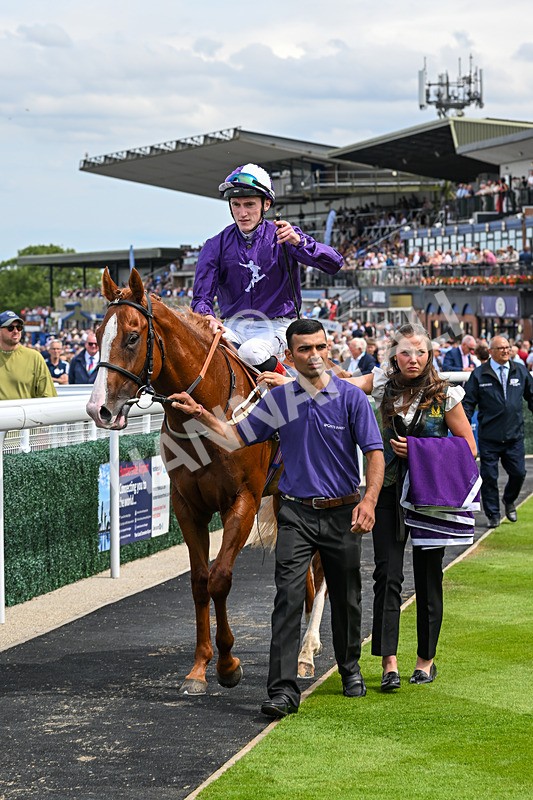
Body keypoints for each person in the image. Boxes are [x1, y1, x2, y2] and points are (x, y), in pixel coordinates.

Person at [169, 319, 385, 717]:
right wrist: (200, 413)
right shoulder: (280, 400)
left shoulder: (351, 398)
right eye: (305, 349)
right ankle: (283, 690)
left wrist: (369, 501)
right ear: (289, 355)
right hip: (297, 513)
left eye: (320, 347)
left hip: (342, 512)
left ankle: (350, 668)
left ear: (328, 349)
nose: (314, 355)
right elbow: (234, 437)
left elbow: (374, 453)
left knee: (347, 598)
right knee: (287, 598)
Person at [350, 323, 476, 690]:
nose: (414, 358)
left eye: (420, 352)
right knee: (387, 575)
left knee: (428, 576)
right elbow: (337, 386)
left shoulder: (445, 394)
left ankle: (426, 660)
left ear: (430, 355)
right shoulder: (381, 386)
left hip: (431, 496)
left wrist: (420, 451)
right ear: (394, 355)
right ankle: (388, 661)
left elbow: (469, 447)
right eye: (406, 351)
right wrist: (289, 379)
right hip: (388, 492)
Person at [191, 164, 344, 373]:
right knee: (203, 348)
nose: (242, 213)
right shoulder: (214, 245)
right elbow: (201, 299)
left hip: (277, 326)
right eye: (236, 205)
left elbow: (335, 263)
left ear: (266, 204)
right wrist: (206, 316)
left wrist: (300, 243)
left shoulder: (285, 234)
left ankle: (289, 385)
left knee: (251, 352)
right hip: (234, 326)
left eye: (249, 204)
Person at [462, 335, 533, 527]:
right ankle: (493, 515)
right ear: (491, 352)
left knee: (519, 474)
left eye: (507, 347)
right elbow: (468, 404)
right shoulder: (479, 374)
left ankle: (509, 500)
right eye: (501, 348)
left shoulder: (520, 371)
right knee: (490, 478)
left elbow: (531, 396)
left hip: (514, 436)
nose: (505, 351)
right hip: (489, 437)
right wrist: (462, 426)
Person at [0, 310, 57, 400]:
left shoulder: (34, 357)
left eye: (19, 327)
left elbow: (48, 396)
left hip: (25, 409)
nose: (16, 331)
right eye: (10, 328)